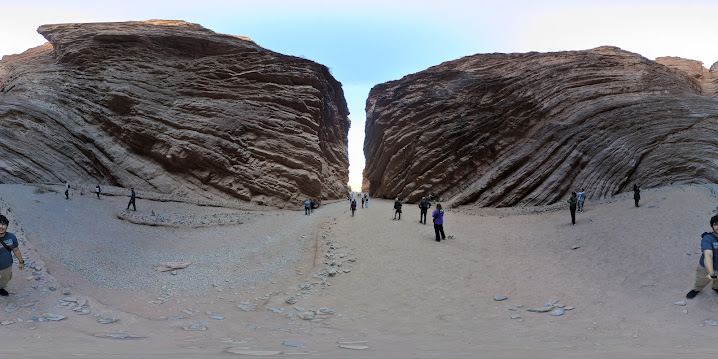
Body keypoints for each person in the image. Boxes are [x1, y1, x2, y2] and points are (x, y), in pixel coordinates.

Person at [686, 215, 718, 299]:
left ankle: (716, 288)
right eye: (716, 224)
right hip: (705, 268)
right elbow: (708, 255)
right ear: (712, 226)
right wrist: (710, 272)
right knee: (701, 280)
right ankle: (697, 289)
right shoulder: (708, 239)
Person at [0, 215, 25, 297]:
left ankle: (0, 288)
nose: (1, 227)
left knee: (6, 278)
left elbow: (16, 250)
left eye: (3, 224)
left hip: (6, 266)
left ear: (7, 225)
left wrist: (21, 262)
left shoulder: (11, 237)